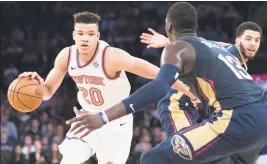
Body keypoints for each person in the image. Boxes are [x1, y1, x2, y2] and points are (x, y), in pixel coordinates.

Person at [66, 2, 267, 164]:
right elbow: (219, 49)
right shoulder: (215, 46)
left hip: (239, 120)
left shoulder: (177, 49)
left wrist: (103, 117)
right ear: (195, 27)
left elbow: (159, 87)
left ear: (168, 27)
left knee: (151, 159)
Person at [18, 11, 199, 164]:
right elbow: (48, 92)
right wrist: (36, 86)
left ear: (98, 36)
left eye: (90, 34)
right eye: (80, 33)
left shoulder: (111, 56)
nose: (85, 39)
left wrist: (188, 92)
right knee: (69, 158)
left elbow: (160, 75)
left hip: (116, 119)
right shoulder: (66, 56)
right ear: (74, 35)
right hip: (86, 116)